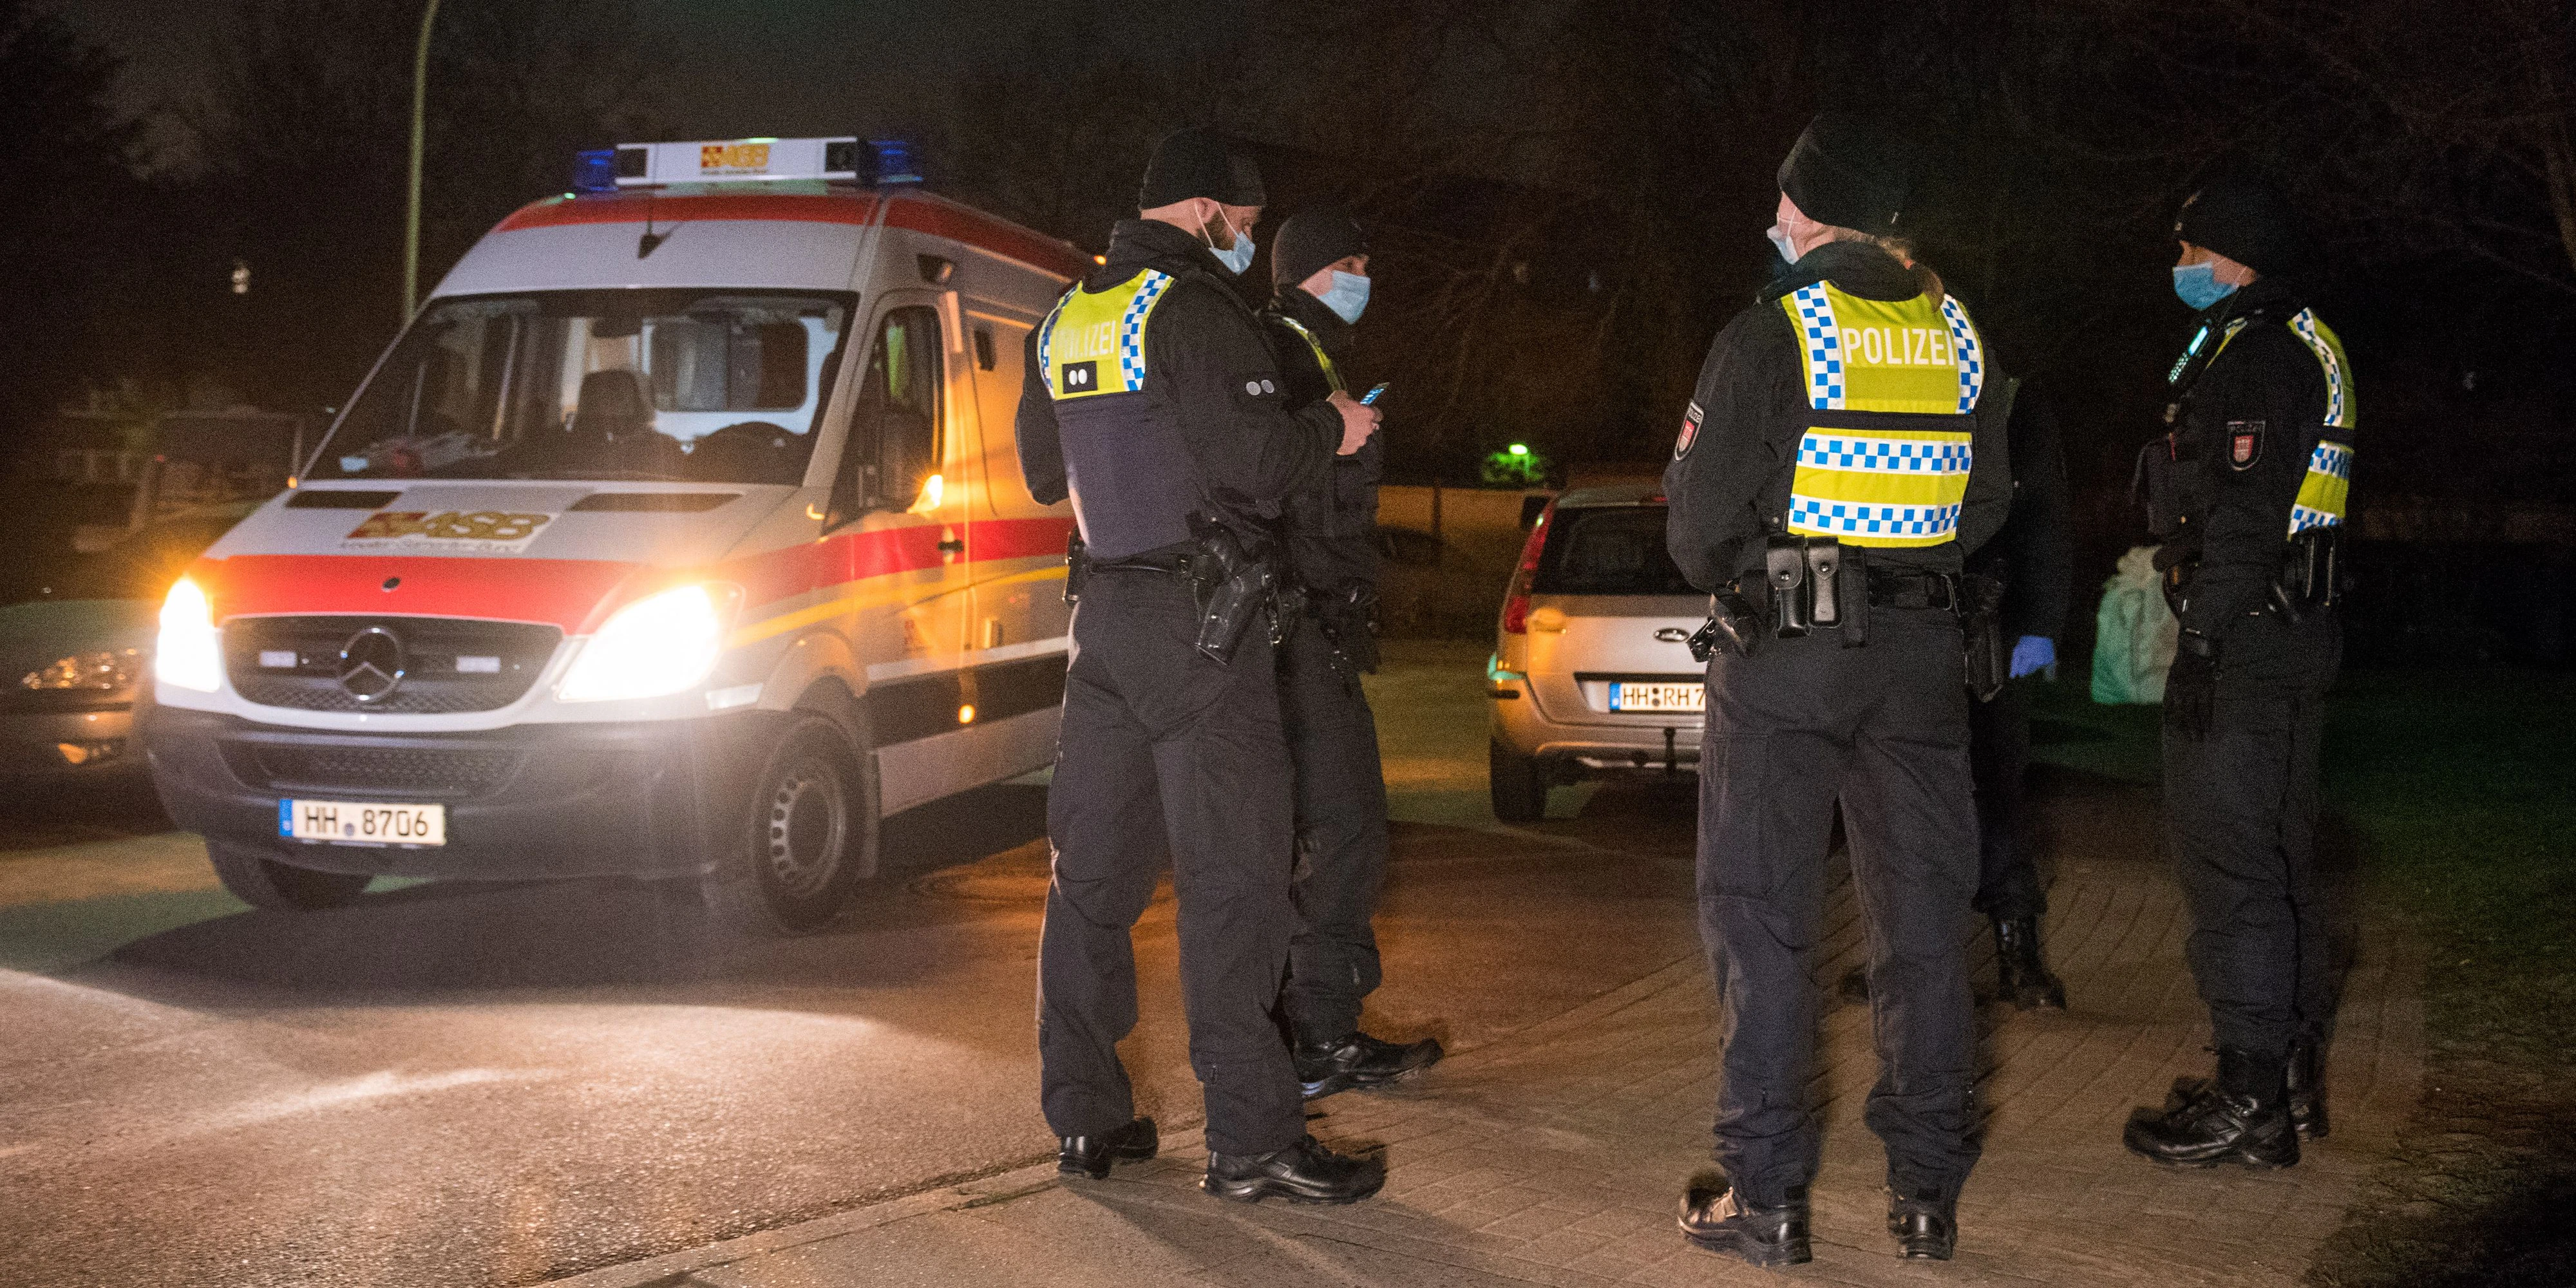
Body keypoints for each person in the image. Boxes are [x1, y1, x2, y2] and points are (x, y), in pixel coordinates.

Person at [1662, 111, 2011, 1266]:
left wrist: (1774, 556)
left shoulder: (1776, 332)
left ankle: (1766, 1196)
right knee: (1921, 926)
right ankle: (1925, 1196)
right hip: (1923, 662)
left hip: (1789, 655)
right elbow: (1989, 505)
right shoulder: (1958, 332)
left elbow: (1699, 528)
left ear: (1806, 213)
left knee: (1763, 920)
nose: (1774, 221)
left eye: (1782, 204)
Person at [1017, 127, 1387, 1205]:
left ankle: (1086, 1120)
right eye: (1248, 221)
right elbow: (1260, 465)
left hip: (1106, 632)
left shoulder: (1069, 314)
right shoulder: (1195, 311)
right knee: (1232, 885)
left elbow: (1047, 474)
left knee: (1089, 883)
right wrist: (1334, 426)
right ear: (1201, 210)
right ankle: (1255, 1141)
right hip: (1205, 628)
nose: (1250, 238)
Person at [2123, 171, 2351, 1170]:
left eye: (2189, 252)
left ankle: (2249, 1098)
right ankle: (2287, 1079)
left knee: (2231, 867)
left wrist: (2203, 638)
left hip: (2247, 638)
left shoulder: (2259, 358)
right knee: (2281, 861)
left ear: (2235, 257)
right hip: (2297, 632)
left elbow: (2247, 520)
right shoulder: (2306, 341)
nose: (2179, 268)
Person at [1253, 208, 1447, 1099]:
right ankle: (1314, 1039)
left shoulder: (1314, 351)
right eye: (1352, 262)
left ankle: (1323, 1028)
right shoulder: (1287, 350)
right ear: (1312, 270)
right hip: (1299, 625)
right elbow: (1288, 492)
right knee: (1340, 831)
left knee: (1342, 831)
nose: (1364, 277)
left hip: (1314, 622)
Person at [1964, 385, 2074, 1010]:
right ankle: (1905, 956)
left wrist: (2040, 625)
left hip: (1991, 625)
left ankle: (2018, 952)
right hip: (1911, 626)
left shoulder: (2012, 400)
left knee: (1997, 791)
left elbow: (2046, 515)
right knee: (1910, 802)